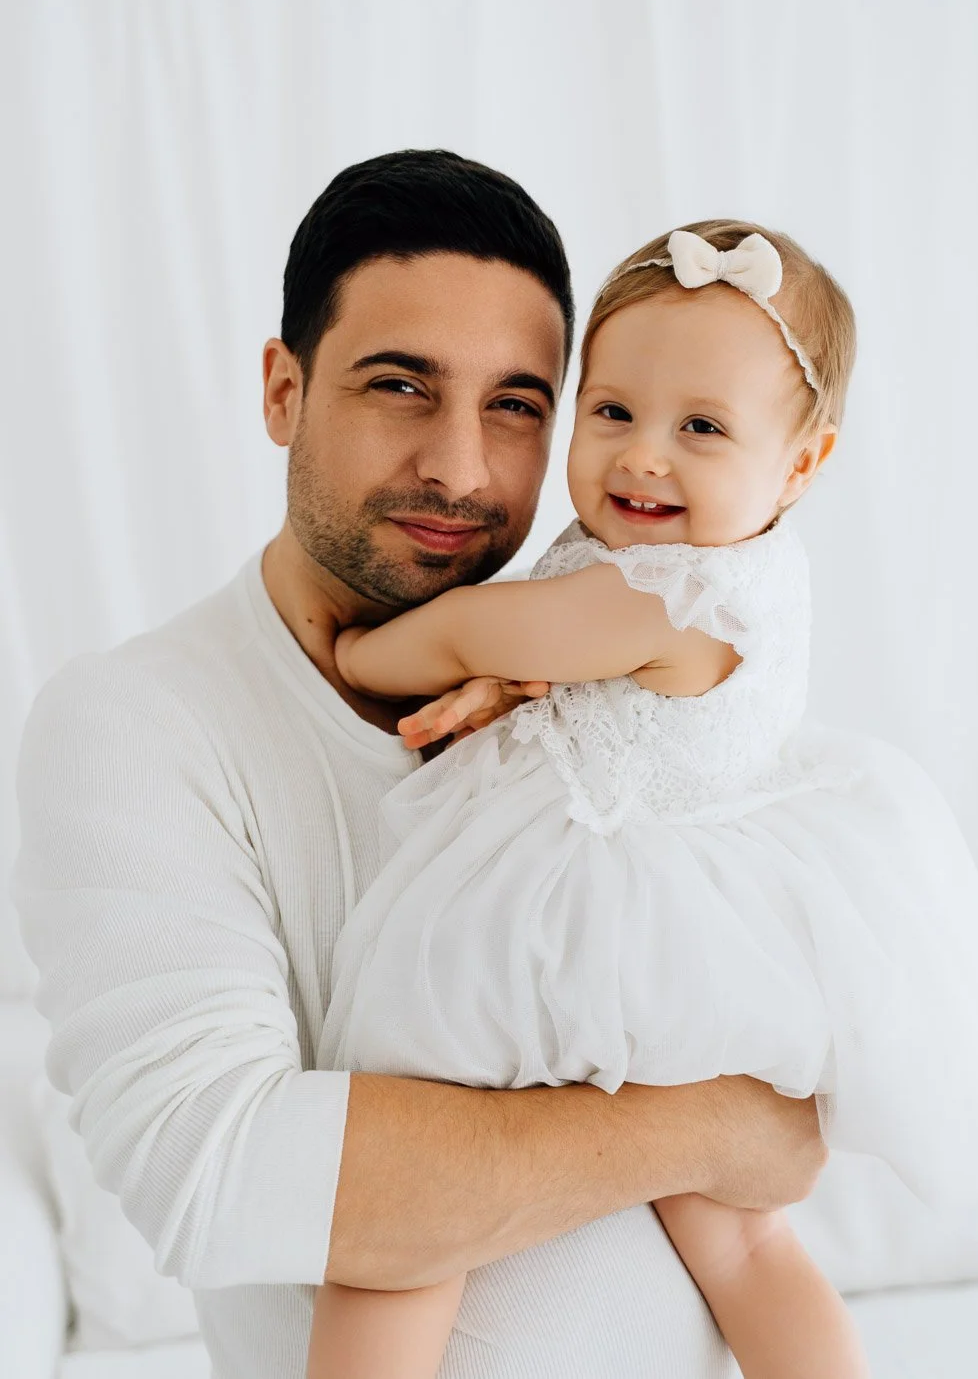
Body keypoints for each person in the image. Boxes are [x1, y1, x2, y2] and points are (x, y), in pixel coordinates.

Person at [12, 152, 827, 1379]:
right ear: (283, 390)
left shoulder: (608, 677)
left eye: (516, 404)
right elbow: (223, 1174)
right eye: (401, 386)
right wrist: (707, 1125)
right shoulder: (135, 720)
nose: (460, 467)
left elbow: (792, 1092)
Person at [307, 221, 978, 1379]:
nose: (643, 459)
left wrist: (371, 652)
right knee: (740, 1244)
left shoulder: (669, 595)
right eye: (613, 411)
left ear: (803, 464)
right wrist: (521, 671)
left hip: (578, 927)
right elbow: (543, 654)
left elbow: (487, 625)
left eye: (702, 429)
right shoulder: (722, 570)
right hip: (692, 935)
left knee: (398, 1242)